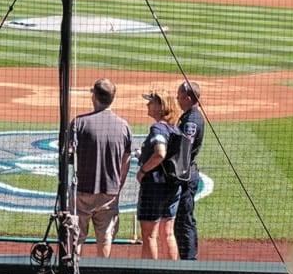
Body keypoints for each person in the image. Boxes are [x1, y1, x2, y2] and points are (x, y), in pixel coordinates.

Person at [66, 77, 133, 260]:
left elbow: (69, 155)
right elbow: (126, 161)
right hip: (110, 192)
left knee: (75, 237)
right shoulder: (124, 126)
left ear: (94, 96)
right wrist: (118, 186)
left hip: (82, 191)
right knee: (105, 239)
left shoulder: (79, 123)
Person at [135, 88, 183, 260]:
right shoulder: (175, 129)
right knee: (168, 233)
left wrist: (143, 170)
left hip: (154, 187)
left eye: (151, 102)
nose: (148, 104)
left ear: (161, 106)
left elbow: (160, 153)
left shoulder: (158, 128)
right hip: (172, 186)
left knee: (149, 235)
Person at [172, 81, 206, 261]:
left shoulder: (191, 120)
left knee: (184, 221)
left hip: (185, 176)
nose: (177, 100)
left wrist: (177, 174)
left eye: (179, 97)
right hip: (187, 174)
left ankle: (189, 261)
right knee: (183, 220)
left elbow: (184, 150)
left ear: (187, 97)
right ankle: (188, 257)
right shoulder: (190, 116)